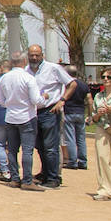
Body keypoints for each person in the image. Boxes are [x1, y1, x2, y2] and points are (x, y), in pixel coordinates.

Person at [0, 51, 49, 190]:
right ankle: (27, 180)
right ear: (24, 61)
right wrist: (44, 97)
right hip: (27, 117)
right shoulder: (29, 78)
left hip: (10, 117)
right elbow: (36, 100)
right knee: (27, 150)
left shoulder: (4, 78)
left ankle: (14, 178)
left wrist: (11, 104)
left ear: (12, 62)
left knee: (12, 150)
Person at [26, 45, 70, 188]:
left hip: (50, 111)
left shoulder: (53, 68)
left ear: (42, 55)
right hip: (33, 112)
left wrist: (62, 101)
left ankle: (53, 178)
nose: (34, 58)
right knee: (39, 146)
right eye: (32, 55)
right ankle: (44, 173)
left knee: (50, 146)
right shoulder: (26, 71)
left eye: (37, 55)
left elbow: (72, 84)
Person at [86, 68, 111, 201]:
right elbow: (93, 118)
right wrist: (98, 114)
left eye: (109, 77)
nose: (106, 79)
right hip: (102, 127)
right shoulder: (98, 96)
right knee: (102, 157)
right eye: (104, 77)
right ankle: (105, 190)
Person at [60, 64, 89, 171]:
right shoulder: (83, 85)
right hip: (81, 112)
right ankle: (83, 161)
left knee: (70, 138)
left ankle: (72, 161)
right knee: (81, 138)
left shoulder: (67, 85)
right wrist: (89, 114)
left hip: (69, 112)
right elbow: (89, 100)